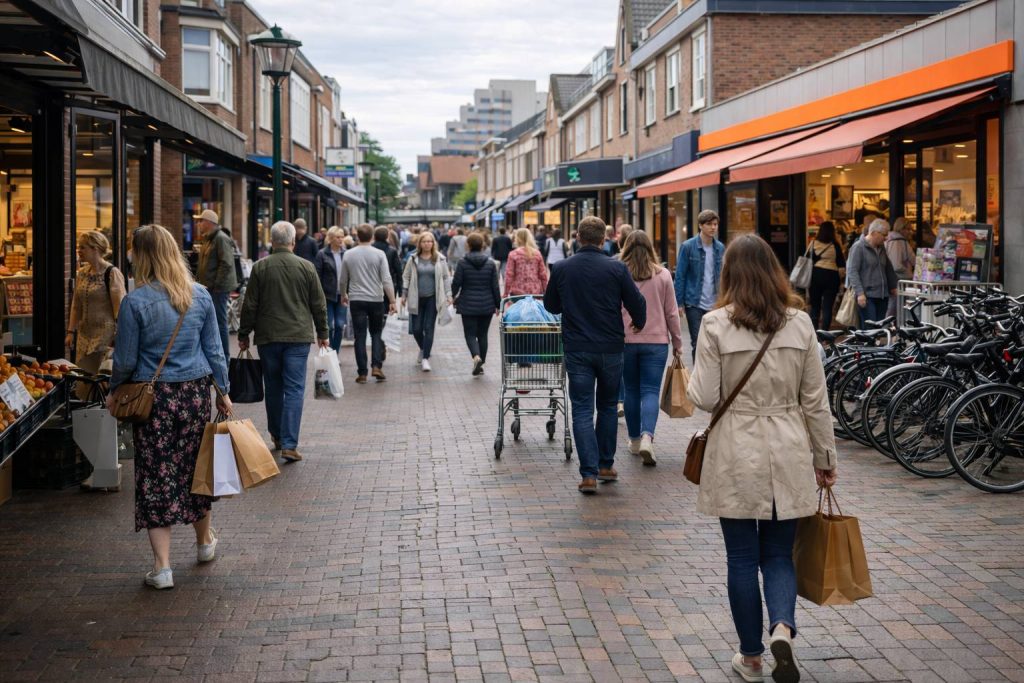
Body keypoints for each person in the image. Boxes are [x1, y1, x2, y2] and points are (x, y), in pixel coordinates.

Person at [686, 234, 837, 683]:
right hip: (788, 444)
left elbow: (704, 396)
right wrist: (825, 457)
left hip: (735, 448)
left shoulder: (715, 324)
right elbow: (816, 400)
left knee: (740, 558)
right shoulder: (800, 323)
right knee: (778, 554)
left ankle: (751, 657)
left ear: (728, 275)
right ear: (774, 271)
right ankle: (783, 628)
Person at [107, 224, 231, 590]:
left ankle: (162, 568)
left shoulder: (135, 302)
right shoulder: (200, 295)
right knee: (197, 467)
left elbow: (125, 360)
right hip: (194, 394)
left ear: (142, 256)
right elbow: (215, 350)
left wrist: (114, 390)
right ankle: (204, 543)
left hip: (154, 399)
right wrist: (223, 390)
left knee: (155, 475)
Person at [543, 216, 646, 495]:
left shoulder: (562, 268)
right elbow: (636, 302)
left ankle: (588, 474)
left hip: (577, 347)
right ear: (604, 239)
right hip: (611, 346)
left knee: (582, 408)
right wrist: (639, 321)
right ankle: (605, 465)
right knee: (609, 406)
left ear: (578, 237)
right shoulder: (617, 268)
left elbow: (550, 305)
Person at [238, 221, 328, 462]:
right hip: (298, 336)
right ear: (293, 242)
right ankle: (289, 443)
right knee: (295, 389)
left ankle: (277, 435)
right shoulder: (306, 267)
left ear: (272, 241)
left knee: (273, 387)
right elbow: (318, 304)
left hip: (268, 336)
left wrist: (244, 334)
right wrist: (323, 333)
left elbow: (250, 304)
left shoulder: (260, 267)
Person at [619, 231, 683, 467]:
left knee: (631, 391)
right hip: (656, 342)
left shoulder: (620, 273)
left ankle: (635, 440)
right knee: (650, 391)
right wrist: (677, 342)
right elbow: (672, 313)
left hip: (625, 341)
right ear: (650, 248)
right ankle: (648, 437)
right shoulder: (663, 274)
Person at [66, 231, 126, 399]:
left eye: (82, 247)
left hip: (105, 335)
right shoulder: (82, 273)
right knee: (83, 377)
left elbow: (120, 308)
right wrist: (70, 331)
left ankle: (102, 409)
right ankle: (85, 409)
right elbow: (76, 306)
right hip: (84, 335)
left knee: (100, 379)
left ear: (95, 249)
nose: (79, 251)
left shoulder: (112, 273)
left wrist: (119, 335)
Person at [339, 223, 397, 383]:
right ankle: (376, 366)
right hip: (376, 299)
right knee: (376, 333)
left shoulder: (348, 254)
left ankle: (362, 372)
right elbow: (386, 279)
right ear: (372, 237)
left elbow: (343, 279)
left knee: (360, 335)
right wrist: (392, 300)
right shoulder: (379, 254)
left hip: (357, 299)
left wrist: (343, 294)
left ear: (357, 236)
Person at [675, 210, 725, 361]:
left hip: (715, 303)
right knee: (697, 343)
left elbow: (724, 275)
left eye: (715, 224)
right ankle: (699, 374)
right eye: (709, 224)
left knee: (715, 344)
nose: (713, 227)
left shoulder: (720, 248)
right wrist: (679, 303)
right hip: (694, 303)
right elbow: (680, 275)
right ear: (700, 226)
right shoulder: (688, 246)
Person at [400, 231, 452, 372]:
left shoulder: (440, 259)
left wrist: (449, 294)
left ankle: (425, 358)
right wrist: (404, 294)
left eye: (430, 241)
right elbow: (406, 276)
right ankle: (423, 348)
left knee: (428, 328)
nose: (427, 244)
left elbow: (446, 277)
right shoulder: (413, 258)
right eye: (424, 241)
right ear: (420, 243)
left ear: (433, 243)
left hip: (432, 298)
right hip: (416, 297)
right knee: (416, 329)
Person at [452, 233, 500, 376]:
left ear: (468, 245)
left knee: (470, 334)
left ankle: (476, 356)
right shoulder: (490, 263)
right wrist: (498, 304)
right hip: (487, 304)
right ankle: (481, 362)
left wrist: (452, 296)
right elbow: (495, 286)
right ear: (482, 245)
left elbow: (456, 282)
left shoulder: (462, 263)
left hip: (467, 304)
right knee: (483, 334)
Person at [193, 209, 238, 358]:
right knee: (212, 322)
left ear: (209, 222)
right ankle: (216, 355)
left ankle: (224, 357)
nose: (199, 224)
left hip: (217, 290)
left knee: (219, 322)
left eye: (201, 221)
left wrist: (216, 286)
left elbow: (226, 263)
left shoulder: (220, 239)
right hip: (210, 288)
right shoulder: (209, 239)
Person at [847, 219, 898, 328]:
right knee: (869, 329)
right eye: (884, 235)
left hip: (882, 296)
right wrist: (860, 293)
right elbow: (852, 271)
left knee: (879, 329)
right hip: (867, 296)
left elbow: (888, 267)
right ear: (874, 233)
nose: (886, 238)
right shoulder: (858, 247)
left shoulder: (881, 248)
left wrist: (893, 286)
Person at [806, 221, 846, 330]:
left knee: (815, 306)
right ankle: (824, 333)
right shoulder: (835, 245)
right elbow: (841, 263)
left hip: (816, 275)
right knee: (827, 307)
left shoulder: (813, 243)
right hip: (832, 276)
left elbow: (808, 259)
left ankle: (814, 331)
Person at [314, 226, 347, 353]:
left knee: (339, 325)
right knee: (330, 327)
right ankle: (330, 351)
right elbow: (317, 275)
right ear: (331, 238)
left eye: (342, 237)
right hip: (327, 295)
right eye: (338, 237)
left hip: (342, 295)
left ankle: (335, 352)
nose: (341, 239)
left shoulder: (346, 253)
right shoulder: (322, 254)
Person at [504, 228, 549, 297]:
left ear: (517, 239)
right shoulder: (537, 253)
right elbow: (543, 275)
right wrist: (546, 291)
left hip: (518, 293)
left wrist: (505, 294)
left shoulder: (513, 254)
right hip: (535, 292)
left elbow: (509, 276)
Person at [373, 225, 404, 300]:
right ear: (387, 237)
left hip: (372, 285)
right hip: (390, 284)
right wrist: (400, 290)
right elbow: (398, 271)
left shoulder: (370, 250)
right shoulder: (392, 251)